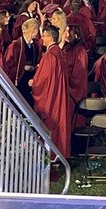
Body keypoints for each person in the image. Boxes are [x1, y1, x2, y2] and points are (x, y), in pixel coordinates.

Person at [30, 24, 71, 156]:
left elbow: (43, 79)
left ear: (50, 38)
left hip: (51, 97)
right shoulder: (58, 52)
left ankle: (52, 155)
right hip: (59, 94)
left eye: (44, 36)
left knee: (51, 123)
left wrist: (33, 82)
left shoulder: (50, 55)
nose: (42, 38)